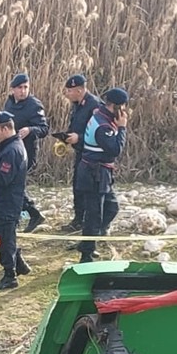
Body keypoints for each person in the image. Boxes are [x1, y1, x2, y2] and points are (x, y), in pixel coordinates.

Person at [75, 88, 129, 264]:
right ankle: (86, 254)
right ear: (114, 106)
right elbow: (115, 149)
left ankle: (90, 240)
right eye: (121, 107)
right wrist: (122, 129)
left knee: (112, 207)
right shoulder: (103, 125)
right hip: (94, 174)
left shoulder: (101, 115)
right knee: (93, 215)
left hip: (101, 173)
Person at [0, 111, 31, 290]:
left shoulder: (12, 150)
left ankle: (10, 275)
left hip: (7, 202)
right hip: (5, 201)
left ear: (6, 128)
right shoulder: (10, 146)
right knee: (7, 237)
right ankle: (18, 263)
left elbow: (1, 179)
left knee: (4, 240)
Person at [1, 72, 50, 232]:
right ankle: (28, 214)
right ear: (12, 89)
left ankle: (31, 214)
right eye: (19, 88)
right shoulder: (9, 104)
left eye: (25, 87)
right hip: (9, 150)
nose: (23, 91)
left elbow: (44, 129)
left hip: (26, 152)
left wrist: (30, 129)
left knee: (14, 186)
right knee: (10, 185)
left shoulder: (34, 105)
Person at [62, 73, 102, 232]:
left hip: (92, 156)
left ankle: (89, 222)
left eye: (70, 91)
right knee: (77, 186)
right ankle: (78, 219)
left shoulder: (94, 106)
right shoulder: (77, 105)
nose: (67, 94)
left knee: (87, 189)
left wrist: (79, 138)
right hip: (81, 153)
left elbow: (99, 135)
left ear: (79, 90)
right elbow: (76, 126)